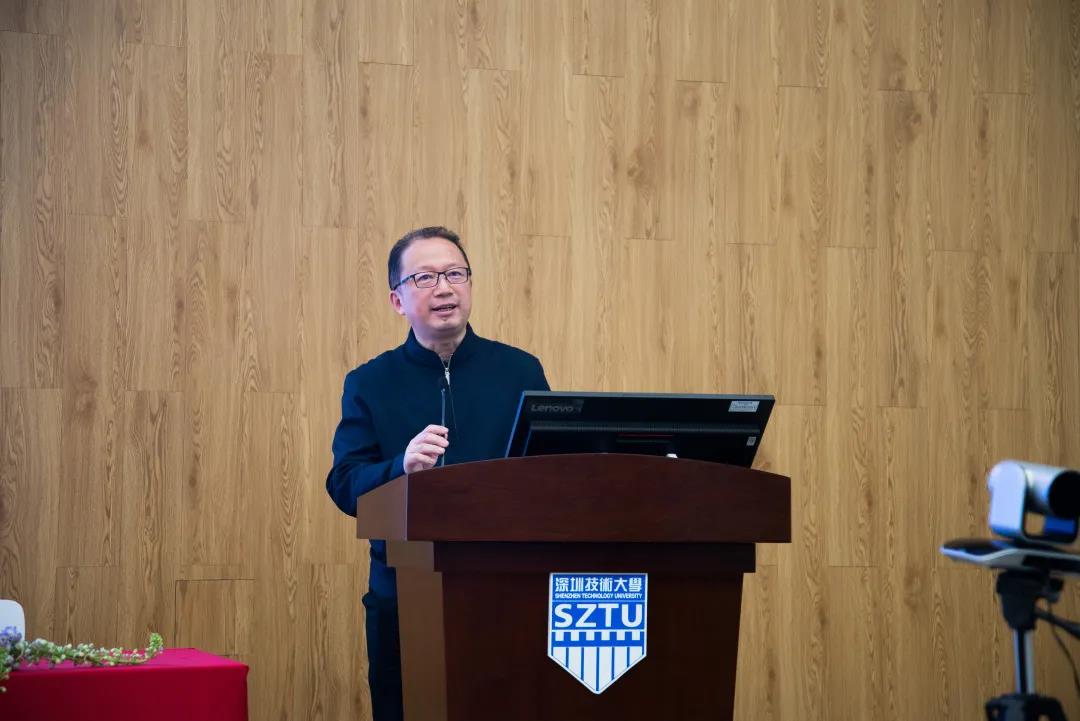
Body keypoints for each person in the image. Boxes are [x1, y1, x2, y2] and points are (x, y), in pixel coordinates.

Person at [325, 226, 549, 721]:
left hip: (507, 589)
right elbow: (344, 484)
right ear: (397, 300)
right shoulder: (370, 382)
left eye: (455, 274)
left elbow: (550, 473)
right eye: (425, 278)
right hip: (406, 593)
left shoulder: (520, 372)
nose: (444, 288)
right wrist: (400, 467)